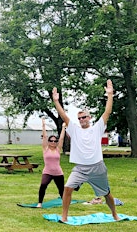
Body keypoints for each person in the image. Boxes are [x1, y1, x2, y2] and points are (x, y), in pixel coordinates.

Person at [52, 79, 119, 222]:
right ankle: (64, 217)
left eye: (84, 117)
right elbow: (63, 115)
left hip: (97, 167)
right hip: (80, 169)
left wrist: (110, 95)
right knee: (68, 188)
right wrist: (56, 101)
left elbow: (107, 112)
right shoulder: (74, 130)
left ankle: (114, 214)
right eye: (80, 118)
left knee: (106, 193)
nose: (82, 119)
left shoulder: (97, 128)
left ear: (90, 118)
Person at [36, 117, 66, 208]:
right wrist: (43, 124)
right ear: (48, 142)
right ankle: (40, 203)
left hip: (58, 172)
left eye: (55, 141)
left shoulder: (58, 149)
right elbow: (44, 136)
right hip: (47, 172)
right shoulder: (45, 148)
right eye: (51, 141)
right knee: (43, 185)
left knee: (61, 189)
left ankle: (65, 203)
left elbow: (61, 138)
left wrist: (63, 127)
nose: (53, 142)